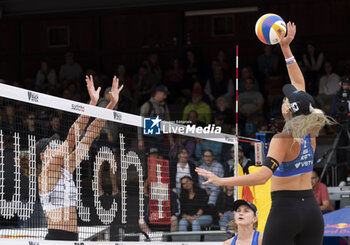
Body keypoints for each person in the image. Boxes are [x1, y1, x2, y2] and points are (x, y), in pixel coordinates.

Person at [196, 22, 333, 245]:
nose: (284, 98)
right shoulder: (311, 130)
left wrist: (220, 181)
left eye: (286, 98)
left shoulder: (283, 139)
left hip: (286, 211)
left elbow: (262, 177)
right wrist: (286, 47)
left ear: (286, 109)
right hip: (311, 212)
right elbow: (299, 84)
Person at [19, 75, 123, 240]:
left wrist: (110, 105)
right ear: (44, 155)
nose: (57, 145)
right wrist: (91, 105)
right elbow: (72, 138)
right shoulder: (46, 173)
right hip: (57, 238)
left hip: (72, 237)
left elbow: (89, 136)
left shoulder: (66, 168)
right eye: (52, 145)